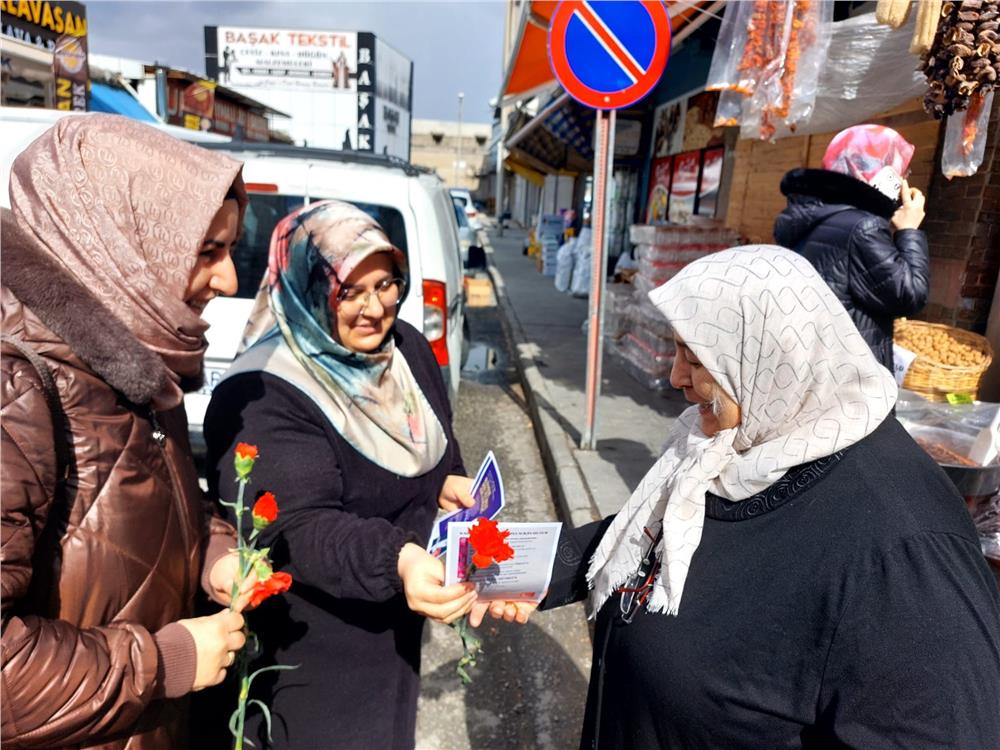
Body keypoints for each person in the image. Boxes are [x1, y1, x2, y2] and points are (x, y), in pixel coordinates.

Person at [480, 246, 1000, 749]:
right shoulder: (743, 445)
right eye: (677, 349)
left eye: (696, 357)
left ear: (774, 353)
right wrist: (501, 565)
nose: (675, 377)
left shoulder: (905, 555)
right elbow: (654, 531)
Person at [1, 115, 252, 748]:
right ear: (116, 241)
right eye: (207, 252)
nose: (230, 281)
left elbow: (144, 517)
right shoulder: (17, 385)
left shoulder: (132, 356)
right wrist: (160, 664)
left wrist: (214, 554)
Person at [200, 200, 477, 749]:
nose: (376, 308)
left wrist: (448, 480)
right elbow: (300, 527)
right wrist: (397, 559)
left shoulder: (407, 352)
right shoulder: (264, 391)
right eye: (350, 291)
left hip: (394, 625)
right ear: (307, 290)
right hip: (310, 650)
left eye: (387, 284)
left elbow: (435, 443)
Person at [773, 124, 929, 372]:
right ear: (884, 173)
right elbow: (908, 295)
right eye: (901, 171)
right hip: (847, 379)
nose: (903, 181)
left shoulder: (816, 215)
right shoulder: (862, 227)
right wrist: (909, 230)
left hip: (810, 365)